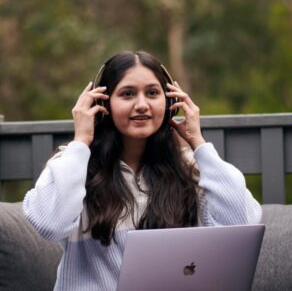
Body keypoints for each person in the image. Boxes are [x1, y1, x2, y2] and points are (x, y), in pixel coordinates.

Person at [23, 50, 262, 290]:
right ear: (101, 103)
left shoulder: (189, 168)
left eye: (152, 93)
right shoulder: (73, 164)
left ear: (170, 103)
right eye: (127, 94)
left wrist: (199, 144)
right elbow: (49, 224)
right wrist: (81, 141)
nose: (141, 105)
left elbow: (242, 224)